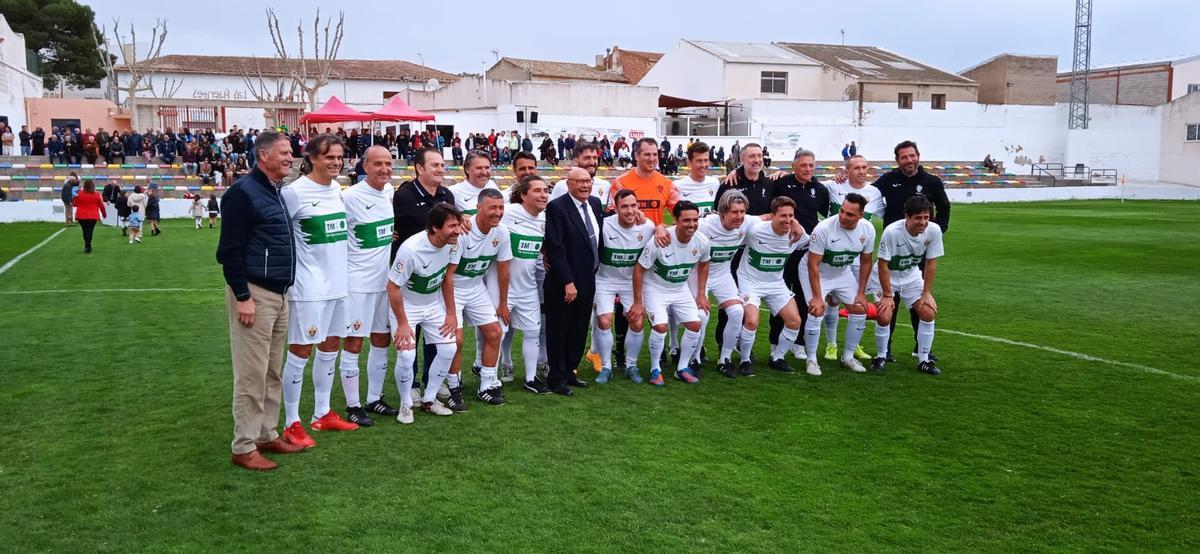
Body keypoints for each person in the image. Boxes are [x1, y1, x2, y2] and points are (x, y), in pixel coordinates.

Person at [215, 130, 304, 471]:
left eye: (291, 152)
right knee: (251, 374)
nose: (290, 157)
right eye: (283, 152)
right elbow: (229, 252)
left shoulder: (274, 191)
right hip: (255, 294)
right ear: (263, 155)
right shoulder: (243, 192)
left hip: (279, 294)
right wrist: (242, 296)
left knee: (271, 371)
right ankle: (244, 445)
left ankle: (267, 433)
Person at [278, 134, 360, 450]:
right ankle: (291, 422)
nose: (336, 163)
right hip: (308, 287)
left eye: (339, 158)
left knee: (330, 347)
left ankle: (322, 413)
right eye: (330, 157)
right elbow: (280, 236)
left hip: (339, 285)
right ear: (312, 158)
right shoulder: (294, 193)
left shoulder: (338, 192)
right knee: (301, 352)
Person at [872, 140, 950, 362]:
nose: (909, 160)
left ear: (918, 156)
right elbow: (866, 193)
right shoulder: (888, 180)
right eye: (904, 157)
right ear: (898, 161)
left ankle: (921, 348)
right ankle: (885, 350)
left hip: (920, 247)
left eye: (912, 156)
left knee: (921, 303)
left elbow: (944, 207)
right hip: (894, 243)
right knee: (890, 305)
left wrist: (937, 231)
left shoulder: (932, 181)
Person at [340, 145, 401, 426]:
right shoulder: (348, 197)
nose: (384, 169)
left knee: (381, 339)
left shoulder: (389, 194)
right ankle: (353, 405)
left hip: (383, 283)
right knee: (354, 341)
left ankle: (374, 398)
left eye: (388, 164)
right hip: (357, 284)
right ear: (364, 166)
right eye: (378, 164)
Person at [387, 203, 462, 421]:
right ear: (434, 228)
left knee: (449, 348)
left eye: (458, 225)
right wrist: (402, 323)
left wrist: (451, 313)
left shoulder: (454, 243)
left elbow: (447, 279)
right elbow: (392, 287)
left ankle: (429, 400)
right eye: (452, 226)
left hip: (432, 304)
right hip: (406, 307)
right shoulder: (410, 250)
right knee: (407, 354)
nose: (458, 230)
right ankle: (405, 405)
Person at [391, 147, 455, 399]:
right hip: (408, 273)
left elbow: (449, 226)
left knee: (435, 333)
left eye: (442, 165)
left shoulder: (446, 193)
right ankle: (413, 386)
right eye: (435, 165)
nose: (440, 170)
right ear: (419, 168)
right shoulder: (404, 194)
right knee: (411, 333)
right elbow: (423, 228)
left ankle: (432, 382)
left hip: (435, 274)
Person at [628, 201, 711, 385]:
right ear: (675, 220)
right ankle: (655, 369)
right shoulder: (661, 240)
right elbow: (639, 269)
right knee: (660, 327)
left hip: (679, 288)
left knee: (695, 324)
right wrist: (637, 302)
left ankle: (682, 368)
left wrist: (701, 293)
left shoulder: (702, 241)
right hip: (655, 288)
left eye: (695, 220)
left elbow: (704, 264)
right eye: (686, 220)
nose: (692, 224)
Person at [540, 167, 603, 397]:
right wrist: (568, 281)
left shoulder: (595, 204)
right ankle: (556, 378)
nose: (586, 185)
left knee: (578, 329)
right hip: (563, 283)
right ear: (569, 184)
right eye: (580, 182)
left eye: (588, 181)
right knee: (559, 330)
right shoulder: (557, 207)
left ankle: (570, 372)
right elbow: (556, 248)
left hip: (588, 279)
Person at [447, 188, 511, 408]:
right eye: (492, 207)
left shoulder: (502, 232)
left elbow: (503, 268)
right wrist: (449, 310)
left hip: (475, 287)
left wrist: (503, 303)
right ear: (478, 208)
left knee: (495, 332)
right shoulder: (464, 232)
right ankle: (453, 387)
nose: (498, 212)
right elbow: (448, 274)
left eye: (501, 207)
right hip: (454, 287)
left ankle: (487, 384)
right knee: (456, 339)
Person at [801, 193, 876, 376]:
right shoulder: (824, 228)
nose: (843, 216)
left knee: (859, 308)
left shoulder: (868, 230)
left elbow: (866, 262)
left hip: (842, 272)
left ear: (861, 215)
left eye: (849, 214)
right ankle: (811, 360)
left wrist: (861, 292)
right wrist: (818, 297)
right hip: (817, 272)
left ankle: (848, 357)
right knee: (816, 309)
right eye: (842, 211)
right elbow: (813, 264)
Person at [735, 197, 811, 376]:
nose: (787, 220)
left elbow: (814, 248)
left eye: (791, 216)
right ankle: (745, 360)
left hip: (775, 283)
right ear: (772, 216)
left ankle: (777, 358)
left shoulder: (798, 235)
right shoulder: (755, 230)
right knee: (752, 321)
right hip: (750, 281)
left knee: (794, 321)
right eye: (783, 215)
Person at [820, 155, 884, 361]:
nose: (862, 171)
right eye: (856, 168)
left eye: (865, 167)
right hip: (833, 256)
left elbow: (887, 215)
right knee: (832, 301)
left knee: (858, 302)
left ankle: (854, 345)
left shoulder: (874, 192)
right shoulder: (832, 186)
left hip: (858, 260)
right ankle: (831, 345)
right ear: (846, 170)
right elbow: (805, 182)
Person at [871, 195, 944, 375]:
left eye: (926, 217)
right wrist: (888, 295)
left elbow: (931, 263)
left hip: (911, 276)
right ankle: (881, 356)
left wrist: (926, 292)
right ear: (907, 217)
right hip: (887, 276)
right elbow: (882, 264)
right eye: (918, 218)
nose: (923, 222)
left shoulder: (934, 231)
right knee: (885, 314)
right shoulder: (892, 231)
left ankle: (924, 359)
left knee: (928, 311)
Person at [591, 189, 654, 384]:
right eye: (624, 206)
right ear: (615, 208)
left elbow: (664, 233)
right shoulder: (603, 225)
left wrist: (660, 228)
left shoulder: (648, 227)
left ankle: (631, 365)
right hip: (604, 279)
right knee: (604, 321)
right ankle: (606, 366)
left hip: (630, 281)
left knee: (636, 321)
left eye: (633, 205)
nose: (630, 210)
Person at [498, 159, 549, 390]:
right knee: (498, 332)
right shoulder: (507, 212)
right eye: (537, 191)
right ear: (523, 195)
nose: (543, 195)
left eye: (545, 191)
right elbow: (480, 219)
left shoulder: (545, 219)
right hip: (503, 287)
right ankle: (493, 373)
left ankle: (530, 379)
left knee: (532, 331)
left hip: (528, 286)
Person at [612, 138, 677, 226]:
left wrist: (669, 229)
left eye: (655, 154)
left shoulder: (667, 184)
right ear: (636, 156)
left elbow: (680, 215)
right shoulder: (620, 183)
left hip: (656, 238)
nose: (651, 159)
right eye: (647, 154)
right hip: (629, 238)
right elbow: (614, 217)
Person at [551, 142, 611, 211]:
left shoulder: (605, 185)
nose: (592, 162)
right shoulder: (561, 186)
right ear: (576, 161)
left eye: (595, 158)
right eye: (587, 158)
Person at [449, 151, 500, 215]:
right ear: (467, 169)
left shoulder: (492, 185)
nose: (484, 172)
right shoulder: (454, 192)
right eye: (479, 168)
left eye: (487, 168)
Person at [72, 179, 106, 254]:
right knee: (90, 231)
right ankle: (88, 246)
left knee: (85, 231)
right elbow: (101, 205)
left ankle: (87, 246)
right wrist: (104, 214)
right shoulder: (96, 194)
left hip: (81, 215)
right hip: (93, 216)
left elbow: (74, 204)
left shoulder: (79, 194)